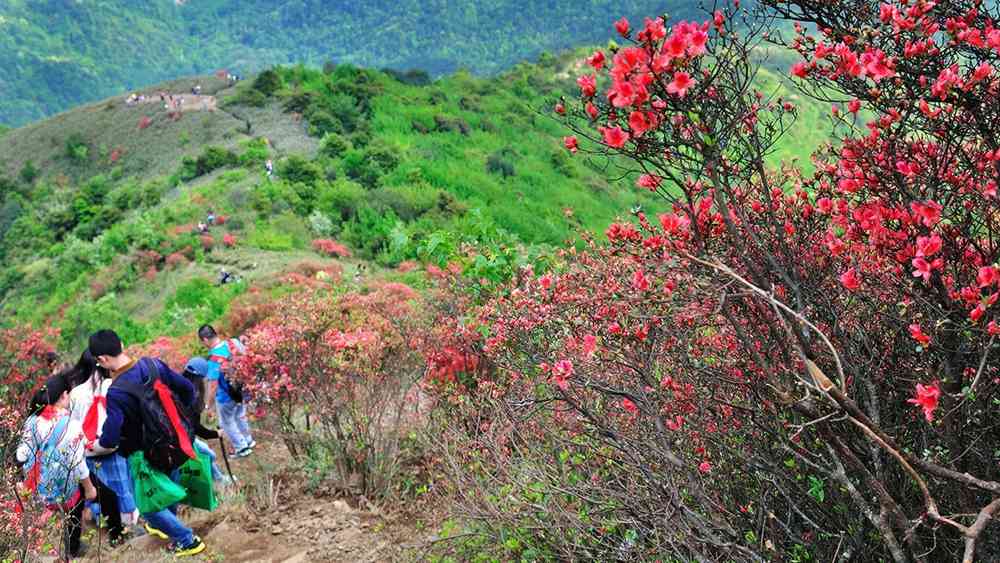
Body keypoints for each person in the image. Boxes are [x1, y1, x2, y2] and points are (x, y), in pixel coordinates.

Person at [90, 330, 207, 557]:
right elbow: (187, 388)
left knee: (149, 507)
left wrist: (98, 443)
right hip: (174, 442)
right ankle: (164, 526)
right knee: (166, 490)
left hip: (143, 455)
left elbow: (111, 437)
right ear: (121, 344)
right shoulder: (153, 365)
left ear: (102, 359)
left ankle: (187, 540)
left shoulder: (116, 392)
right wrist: (179, 421)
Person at [17, 375, 98, 560]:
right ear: (63, 395)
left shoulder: (31, 421)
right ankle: (72, 549)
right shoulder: (71, 425)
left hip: (39, 485)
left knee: (39, 520)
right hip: (66, 486)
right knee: (75, 513)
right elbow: (77, 463)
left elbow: (21, 455)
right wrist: (89, 487)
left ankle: (35, 546)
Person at [66, 350, 138, 545]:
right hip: (111, 445)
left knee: (98, 488)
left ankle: (101, 523)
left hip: (86, 449)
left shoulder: (75, 393)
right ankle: (125, 525)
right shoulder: (113, 385)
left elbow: (72, 424)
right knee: (121, 485)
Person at [198, 325, 255, 458]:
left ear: (205, 339)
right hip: (242, 389)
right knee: (240, 415)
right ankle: (248, 440)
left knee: (226, 422)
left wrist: (208, 406)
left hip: (226, 396)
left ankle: (241, 447)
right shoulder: (233, 343)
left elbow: (213, 386)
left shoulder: (213, 359)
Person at [183, 358, 231, 484]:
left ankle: (218, 478)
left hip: (182, 435)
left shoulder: (179, 385)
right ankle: (219, 480)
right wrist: (216, 434)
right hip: (184, 438)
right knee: (208, 455)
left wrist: (205, 413)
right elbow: (197, 428)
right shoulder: (192, 396)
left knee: (208, 454)